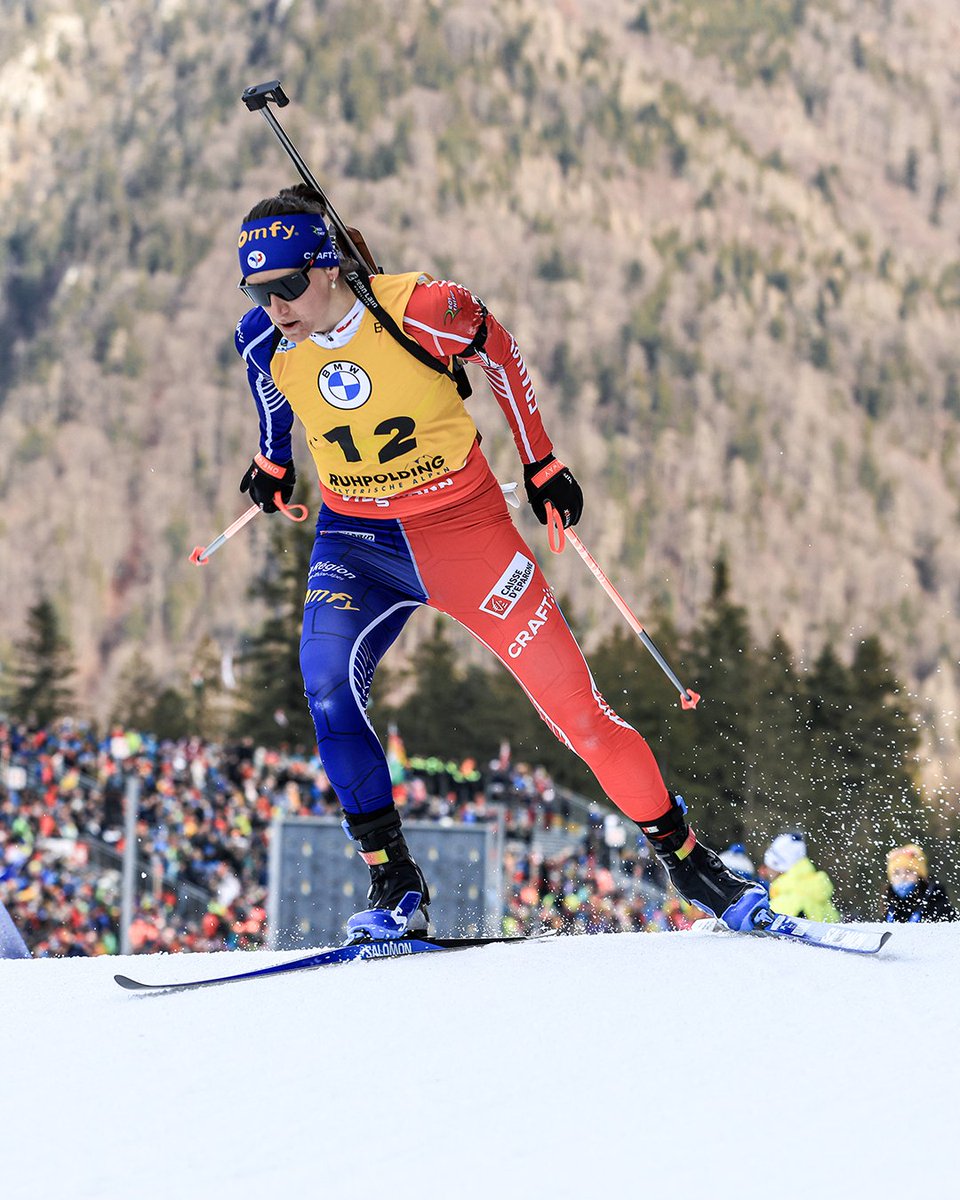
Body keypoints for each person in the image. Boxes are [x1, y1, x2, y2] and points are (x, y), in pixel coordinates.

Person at [232, 184, 768, 939]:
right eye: (259, 291)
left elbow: (500, 349)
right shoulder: (263, 339)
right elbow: (272, 397)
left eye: (286, 286)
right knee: (326, 688)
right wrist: (272, 460)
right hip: (357, 544)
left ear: (326, 268)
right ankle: (394, 880)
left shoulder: (418, 307)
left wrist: (542, 463)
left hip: (466, 533)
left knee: (579, 715)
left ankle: (691, 862)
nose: (274, 306)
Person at [762, 832, 840, 923]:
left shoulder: (785, 903)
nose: (766, 870)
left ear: (778, 865)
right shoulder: (823, 900)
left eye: (769, 865)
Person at [883, 843, 956, 923]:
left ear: (920, 876)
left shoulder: (940, 908)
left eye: (909, 872)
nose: (902, 877)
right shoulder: (888, 908)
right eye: (896, 873)